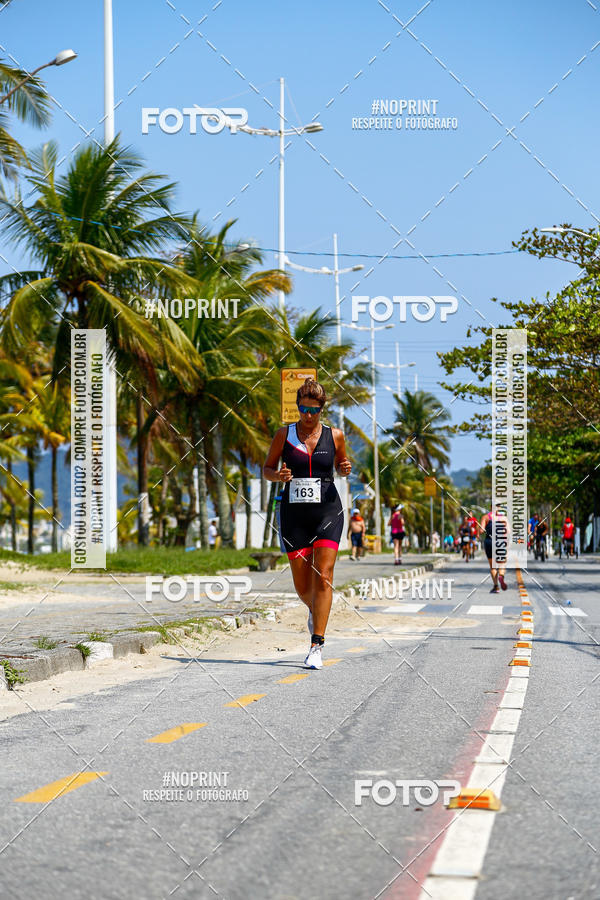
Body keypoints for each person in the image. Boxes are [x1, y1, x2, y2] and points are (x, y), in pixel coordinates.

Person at [263, 378, 351, 669]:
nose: (308, 415)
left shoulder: (334, 435)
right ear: (297, 407)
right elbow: (267, 468)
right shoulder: (283, 434)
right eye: (303, 409)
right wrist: (279, 477)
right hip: (294, 515)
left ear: (321, 409)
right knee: (303, 587)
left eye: (313, 410)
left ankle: (317, 643)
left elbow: (341, 463)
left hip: (328, 512)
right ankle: (317, 612)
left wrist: (343, 467)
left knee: (324, 575)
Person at [481, 507, 508, 592]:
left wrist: (480, 530)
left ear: (490, 507)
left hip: (489, 541)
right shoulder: (503, 518)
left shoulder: (486, 517)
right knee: (502, 563)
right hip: (500, 542)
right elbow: (508, 531)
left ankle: (496, 586)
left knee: (493, 567)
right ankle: (501, 576)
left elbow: (481, 530)